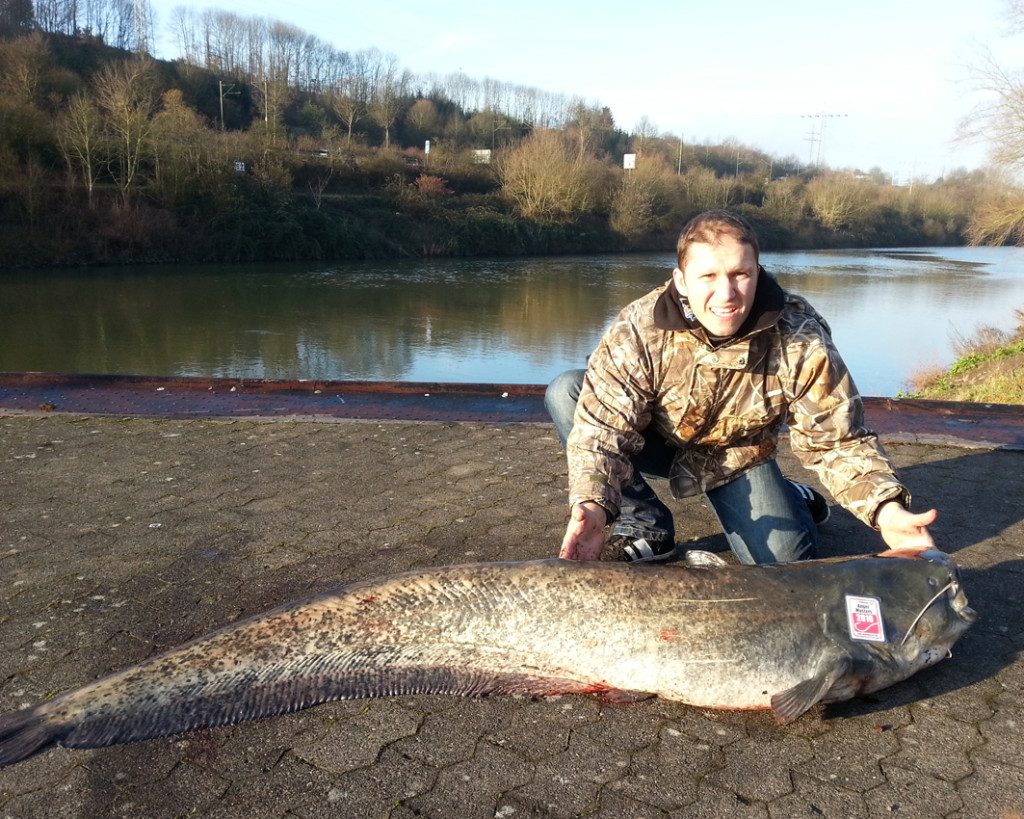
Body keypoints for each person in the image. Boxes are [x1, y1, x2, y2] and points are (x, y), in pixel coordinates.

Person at [546, 210, 936, 565]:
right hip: (658, 441)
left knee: (785, 567)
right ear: (681, 280)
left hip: (736, 460)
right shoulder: (637, 327)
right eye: (709, 277)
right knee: (567, 391)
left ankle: (795, 497)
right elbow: (603, 431)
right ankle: (646, 527)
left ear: (757, 270)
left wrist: (886, 508)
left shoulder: (800, 337)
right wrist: (593, 505)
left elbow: (837, 440)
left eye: (740, 274)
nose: (727, 294)